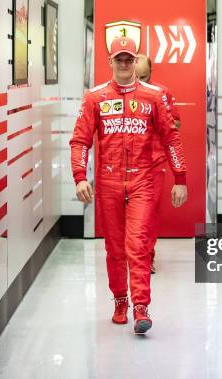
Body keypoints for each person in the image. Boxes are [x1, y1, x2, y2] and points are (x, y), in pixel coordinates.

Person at [70, 37, 188, 334]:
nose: (124, 64)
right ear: (110, 62)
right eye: (118, 59)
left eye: (128, 59)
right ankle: (120, 300)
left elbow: (171, 138)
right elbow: (80, 140)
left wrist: (180, 178)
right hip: (109, 183)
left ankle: (141, 307)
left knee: (138, 244)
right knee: (114, 248)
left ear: (135, 62)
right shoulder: (94, 97)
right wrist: (80, 176)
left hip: (143, 180)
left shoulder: (154, 96)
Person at [135, 54, 181, 274]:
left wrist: (156, 121)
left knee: (148, 213)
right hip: (125, 166)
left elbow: (176, 123)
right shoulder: (118, 94)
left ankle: (146, 258)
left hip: (154, 163)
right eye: (137, 78)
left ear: (151, 72)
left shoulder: (161, 94)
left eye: (144, 77)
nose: (140, 82)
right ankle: (133, 255)